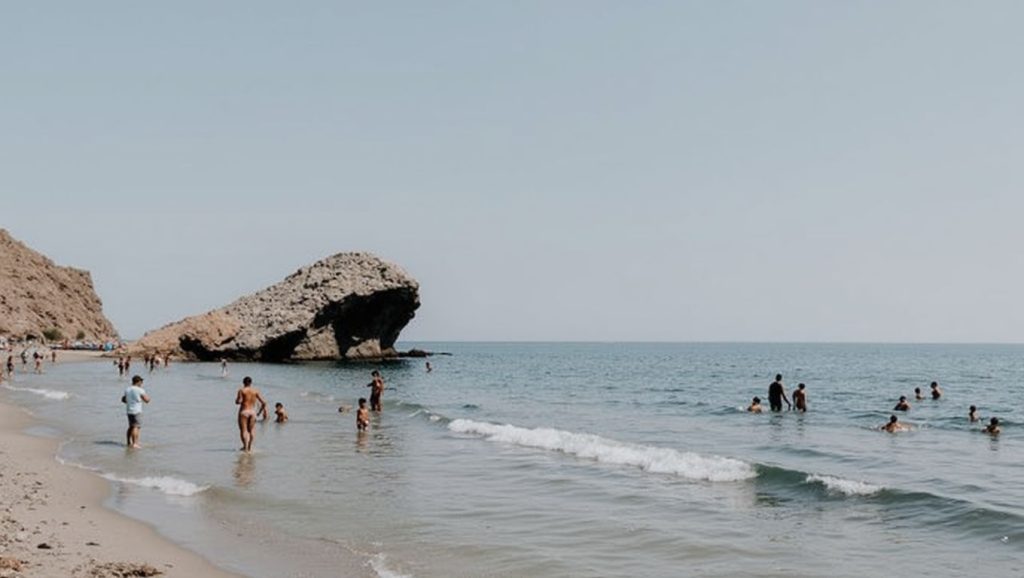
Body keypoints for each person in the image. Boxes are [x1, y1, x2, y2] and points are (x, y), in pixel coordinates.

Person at [235, 376, 268, 452]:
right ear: (251, 383)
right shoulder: (255, 391)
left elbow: (238, 402)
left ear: (243, 383)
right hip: (252, 412)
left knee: (243, 430)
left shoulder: (241, 390)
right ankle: (249, 447)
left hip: (244, 411)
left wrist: (237, 401)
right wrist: (259, 412)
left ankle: (245, 447)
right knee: (251, 430)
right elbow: (264, 403)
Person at [121, 375, 151, 448]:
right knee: (136, 427)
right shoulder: (140, 390)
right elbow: (147, 400)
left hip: (129, 410)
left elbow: (123, 400)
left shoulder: (127, 389)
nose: (142, 383)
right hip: (137, 410)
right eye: (141, 382)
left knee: (131, 426)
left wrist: (130, 401)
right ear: (138, 382)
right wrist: (148, 398)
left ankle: (128, 442)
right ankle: (135, 443)